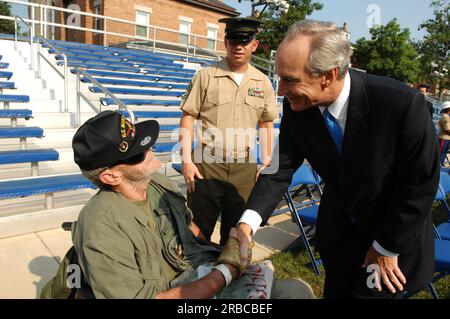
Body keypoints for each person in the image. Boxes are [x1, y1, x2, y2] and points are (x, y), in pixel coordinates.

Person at [235, 20, 440, 299]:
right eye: (279, 77)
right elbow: (280, 167)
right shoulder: (298, 105)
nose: (280, 91)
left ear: (329, 75)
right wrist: (247, 223)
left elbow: (420, 185)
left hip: (389, 244)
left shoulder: (400, 104)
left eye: (291, 80)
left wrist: (385, 248)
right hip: (339, 242)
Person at [40, 111, 314, 299]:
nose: (150, 150)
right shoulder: (101, 226)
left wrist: (224, 248)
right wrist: (224, 273)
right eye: (138, 153)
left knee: (295, 291)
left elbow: (188, 227)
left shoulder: (159, 184)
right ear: (110, 176)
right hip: (183, 289)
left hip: (197, 275)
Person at [179, 17, 278, 245]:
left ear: (255, 44)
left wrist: (266, 162)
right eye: (233, 41)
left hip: (244, 166)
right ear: (225, 43)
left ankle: (228, 276)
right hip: (207, 163)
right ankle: (197, 275)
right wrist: (186, 160)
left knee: (236, 233)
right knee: (198, 230)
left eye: (245, 42)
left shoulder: (262, 82)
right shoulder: (206, 76)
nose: (238, 47)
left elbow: (266, 123)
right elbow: (188, 117)